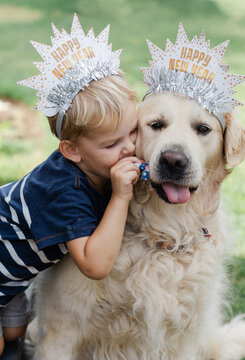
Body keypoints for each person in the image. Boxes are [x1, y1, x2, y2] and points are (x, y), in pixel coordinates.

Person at [0, 15, 141, 355]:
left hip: (13, 282)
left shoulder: (94, 168)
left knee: (16, 332)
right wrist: (121, 196)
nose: (129, 148)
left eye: (133, 131)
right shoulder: (63, 189)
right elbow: (95, 264)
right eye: (111, 145)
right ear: (72, 150)